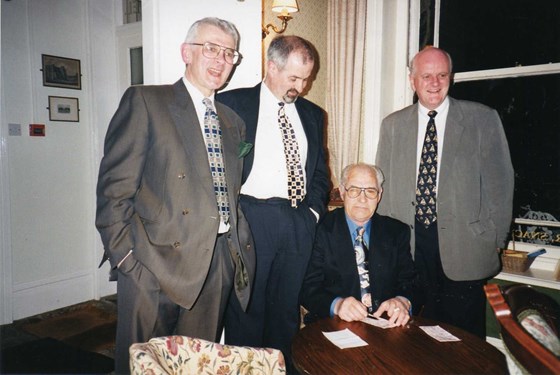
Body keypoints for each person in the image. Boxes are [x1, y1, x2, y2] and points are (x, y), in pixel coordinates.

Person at [95, 17, 255, 374]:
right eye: (210, 49)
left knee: (198, 365)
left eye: (229, 54)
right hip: (153, 264)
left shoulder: (233, 121)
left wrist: (230, 260)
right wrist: (128, 262)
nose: (220, 60)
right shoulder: (147, 101)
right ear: (187, 52)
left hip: (214, 267)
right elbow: (114, 190)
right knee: (142, 368)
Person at [376, 46, 514, 338]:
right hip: (410, 245)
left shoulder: (482, 119)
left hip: (465, 249)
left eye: (442, 75)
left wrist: (493, 238)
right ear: (412, 80)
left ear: (451, 78)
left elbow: (500, 186)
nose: (434, 83)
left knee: (463, 344)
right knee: (411, 339)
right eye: (426, 76)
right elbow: (383, 190)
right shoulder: (392, 126)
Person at [217, 35, 330, 371]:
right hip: (251, 217)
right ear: (271, 66)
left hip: (297, 221)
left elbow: (320, 173)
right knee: (246, 313)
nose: (301, 87)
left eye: (306, 79)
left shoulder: (313, 114)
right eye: (293, 78)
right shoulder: (232, 104)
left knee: (286, 315)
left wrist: (312, 213)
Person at [301, 163, 416, 327]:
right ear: (342, 191)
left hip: (387, 326)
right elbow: (307, 287)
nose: (362, 199)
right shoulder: (319, 230)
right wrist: (338, 305)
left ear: (379, 195)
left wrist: (402, 301)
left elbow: (411, 282)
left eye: (370, 191)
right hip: (333, 325)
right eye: (354, 189)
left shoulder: (396, 232)